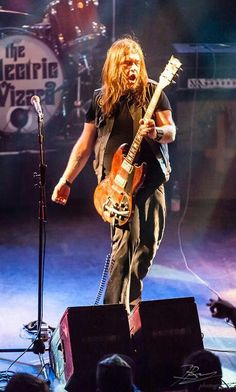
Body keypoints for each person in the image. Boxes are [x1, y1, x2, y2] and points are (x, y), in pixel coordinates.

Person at [51, 36, 176, 313]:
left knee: (146, 247)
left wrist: (155, 131)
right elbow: (84, 144)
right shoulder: (100, 99)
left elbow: (171, 131)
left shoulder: (154, 92)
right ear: (114, 66)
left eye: (136, 63)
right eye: (126, 63)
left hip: (151, 181)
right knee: (122, 251)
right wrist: (66, 179)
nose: (133, 69)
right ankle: (113, 317)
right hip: (116, 186)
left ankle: (128, 306)